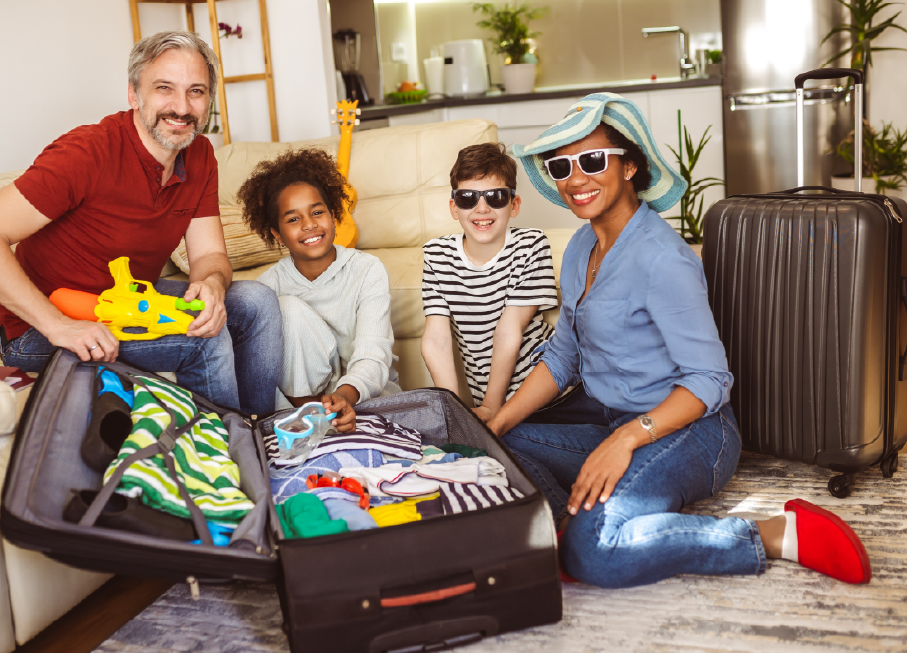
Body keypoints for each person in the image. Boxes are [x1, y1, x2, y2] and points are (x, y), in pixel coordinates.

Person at [488, 93, 871, 588]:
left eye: (591, 160)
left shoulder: (662, 259)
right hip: (608, 420)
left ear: (629, 167)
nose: (575, 178)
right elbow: (563, 355)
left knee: (596, 553)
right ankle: (579, 522)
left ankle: (775, 533)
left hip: (691, 433)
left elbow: (710, 380)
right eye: (561, 166)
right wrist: (497, 422)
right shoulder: (581, 246)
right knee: (508, 443)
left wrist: (627, 439)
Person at [0, 31, 281, 415]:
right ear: (133, 93)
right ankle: (228, 451)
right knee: (203, 340)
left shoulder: (200, 154)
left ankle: (266, 434)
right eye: (164, 88)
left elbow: (209, 253)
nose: (181, 107)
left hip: (125, 304)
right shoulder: (86, 153)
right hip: (37, 330)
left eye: (196, 91)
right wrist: (59, 326)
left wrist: (211, 284)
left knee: (257, 302)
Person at [237, 147, 401, 432]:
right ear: (276, 233)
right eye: (293, 219)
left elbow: (373, 353)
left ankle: (328, 419)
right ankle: (314, 419)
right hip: (296, 410)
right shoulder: (267, 286)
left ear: (334, 214)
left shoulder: (367, 269)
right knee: (281, 307)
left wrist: (344, 397)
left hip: (360, 398)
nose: (309, 225)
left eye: (317, 212)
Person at [420, 142, 561, 423]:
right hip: (487, 402)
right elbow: (436, 340)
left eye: (495, 197)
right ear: (454, 206)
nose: (481, 208)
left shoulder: (530, 245)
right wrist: (455, 414)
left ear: (514, 204)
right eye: (468, 198)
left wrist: (492, 408)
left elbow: (509, 331)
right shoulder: (436, 254)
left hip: (545, 394)